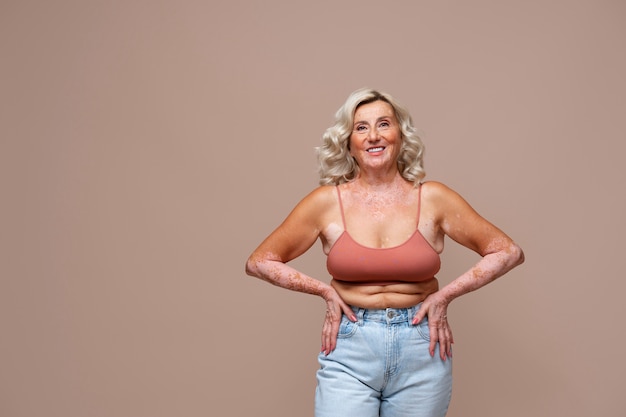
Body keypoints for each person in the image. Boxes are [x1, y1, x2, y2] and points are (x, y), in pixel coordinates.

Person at [245, 88, 524, 417]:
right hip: (350, 345)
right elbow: (260, 261)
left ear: (400, 136)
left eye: (384, 124)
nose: (373, 136)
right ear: (347, 141)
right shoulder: (326, 202)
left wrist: (445, 295)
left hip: (423, 346)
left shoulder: (433, 198)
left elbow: (507, 251)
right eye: (361, 127)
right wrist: (322, 290)